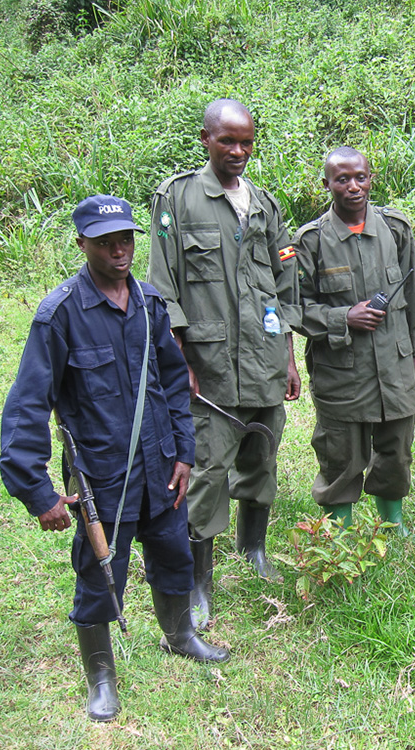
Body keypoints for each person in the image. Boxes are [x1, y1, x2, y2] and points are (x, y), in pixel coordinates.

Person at [0, 195, 228, 723]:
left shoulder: (150, 305)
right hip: (105, 479)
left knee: (174, 554)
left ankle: (179, 634)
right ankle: (101, 679)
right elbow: (25, 408)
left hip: (162, 466)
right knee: (102, 572)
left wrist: (184, 453)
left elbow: (174, 384)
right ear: (82, 244)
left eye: (125, 239)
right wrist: (38, 494)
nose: (119, 250)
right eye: (105, 242)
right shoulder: (59, 316)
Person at [147, 99, 300, 629]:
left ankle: (252, 549)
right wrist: (178, 359)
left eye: (246, 142)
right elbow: (163, 287)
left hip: (261, 358)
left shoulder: (264, 204)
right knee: (208, 468)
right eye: (227, 141)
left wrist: (288, 357)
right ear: (206, 140)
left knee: (262, 452)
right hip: (207, 364)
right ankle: (197, 583)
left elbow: (283, 287)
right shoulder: (178, 198)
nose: (238, 151)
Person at [293, 147, 415, 532]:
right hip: (342, 368)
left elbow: (414, 295)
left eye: (361, 177)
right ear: (327, 185)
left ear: (371, 179)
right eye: (342, 179)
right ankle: (340, 530)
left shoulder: (396, 229)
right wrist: (343, 316)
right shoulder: (310, 242)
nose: (353, 187)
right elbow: (296, 308)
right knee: (342, 453)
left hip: (396, 363)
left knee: (397, 448)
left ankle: (392, 523)